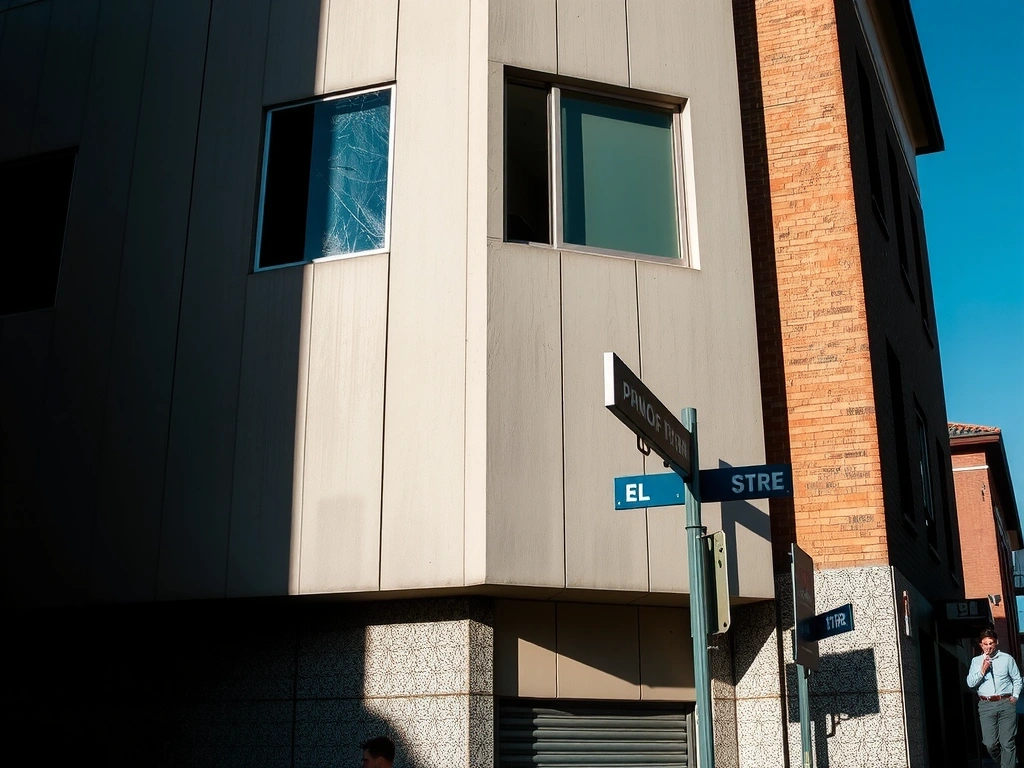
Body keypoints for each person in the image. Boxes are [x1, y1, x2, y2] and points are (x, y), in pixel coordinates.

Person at [966, 629, 1022, 768]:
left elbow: (1017, 679)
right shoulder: (976, 661)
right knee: (989, 743)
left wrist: (1014, 697)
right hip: (986, 705)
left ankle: (1007, 764)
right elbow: (970, 683)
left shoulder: (1007, 659)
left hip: (1006, 703)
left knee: (1007, 742)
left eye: (991, 643)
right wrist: (982, 670)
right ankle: (1004, 761)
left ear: (996, 643)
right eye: (985, 644)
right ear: (981, 645)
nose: (988, 646)